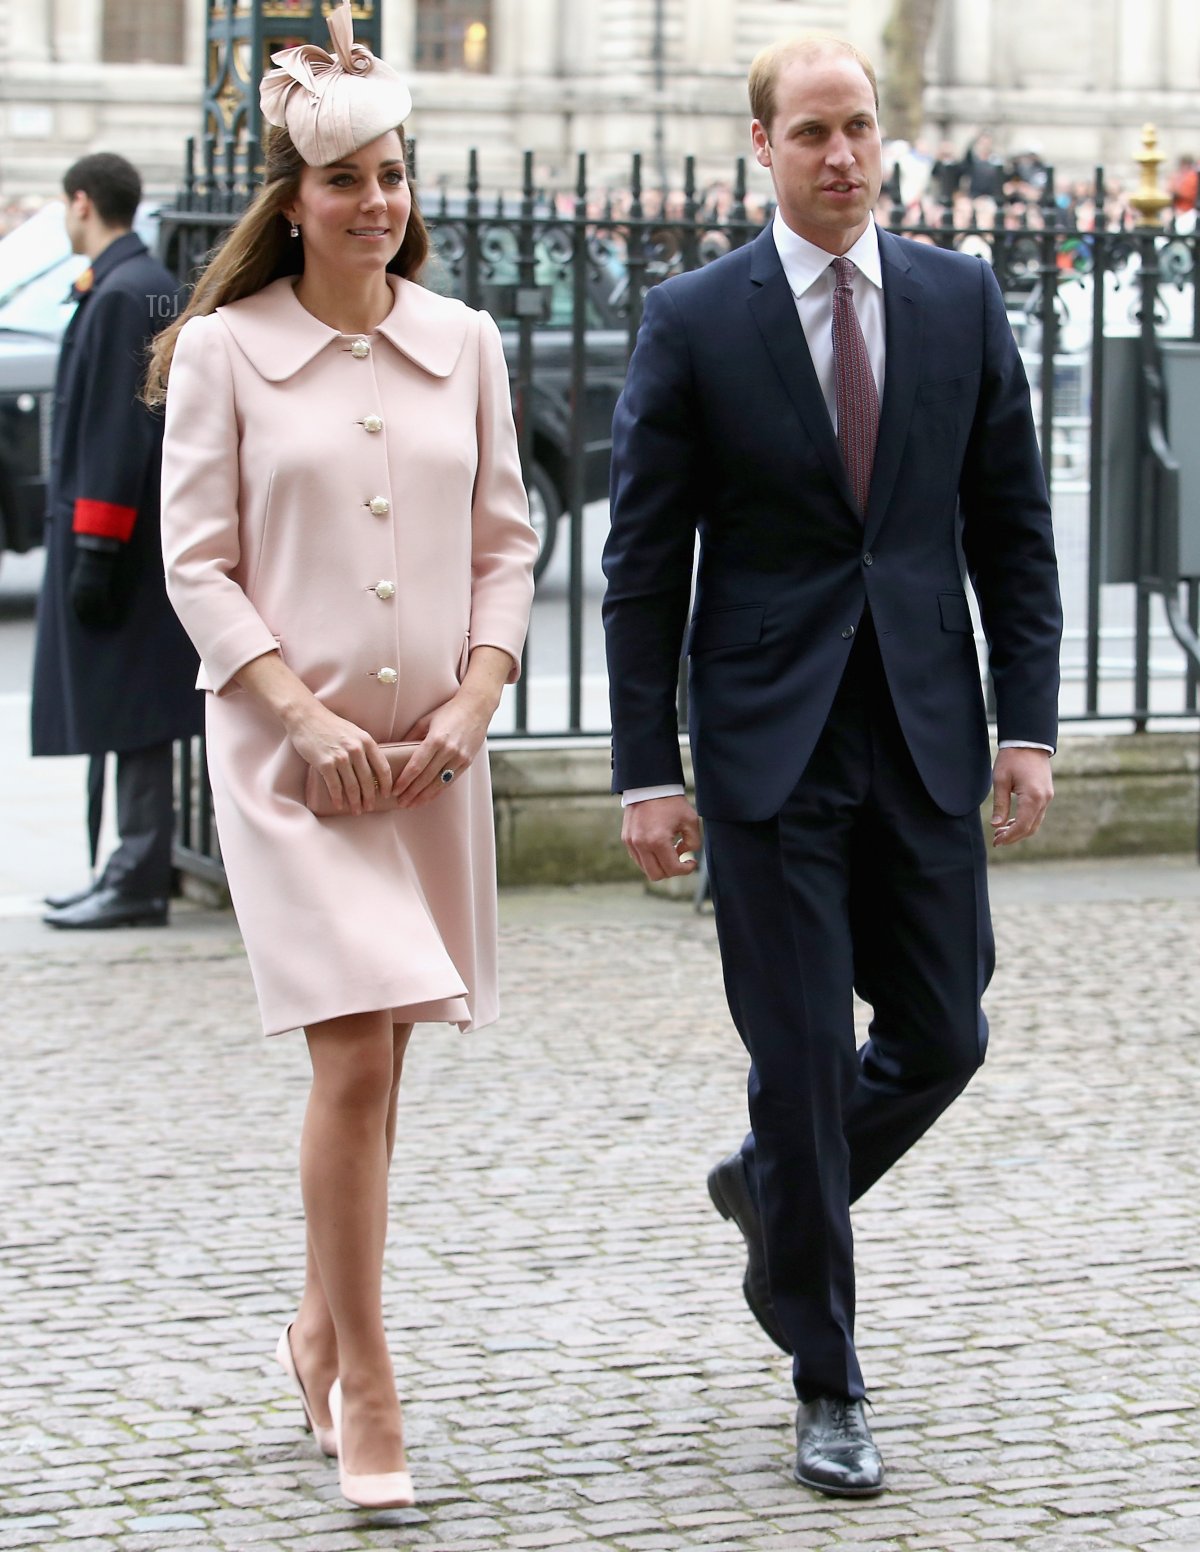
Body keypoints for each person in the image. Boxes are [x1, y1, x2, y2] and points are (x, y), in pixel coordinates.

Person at [602, 33, 1061, 1498]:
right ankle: (828, 1377)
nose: (845, 156)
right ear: (763, 148)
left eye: (860, 127)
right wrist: (644, 770)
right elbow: (639, 567)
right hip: (764, 751)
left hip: (923, 730)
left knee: (947, 1036)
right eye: (813, 132)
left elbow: (1012, 531)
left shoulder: (958, 296)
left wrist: (1029, 726)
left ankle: (768, 1192)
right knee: (798, 1066)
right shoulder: (694, 317)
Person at [152, 0, 537, 1510]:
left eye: (394, 176)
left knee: (388, 1063)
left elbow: (507, 544)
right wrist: (300, 716)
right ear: (292, 204)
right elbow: (197, 561)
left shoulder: (470, 344)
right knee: (356, 1055)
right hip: (288, 765)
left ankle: (316, 1324)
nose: (377, 205)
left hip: (430, 762)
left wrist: (476, 698)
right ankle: (369, 1386)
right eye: (346, 183)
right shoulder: (226, 353)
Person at [32, 152, 202, 929]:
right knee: (129, 710)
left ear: (81, 203)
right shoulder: (139, 282)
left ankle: (136, 875)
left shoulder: (121, 292)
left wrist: (95, 548)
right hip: (135, 538)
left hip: (122, 543)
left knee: (133, 714)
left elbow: (113, 432)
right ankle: (127, 866)